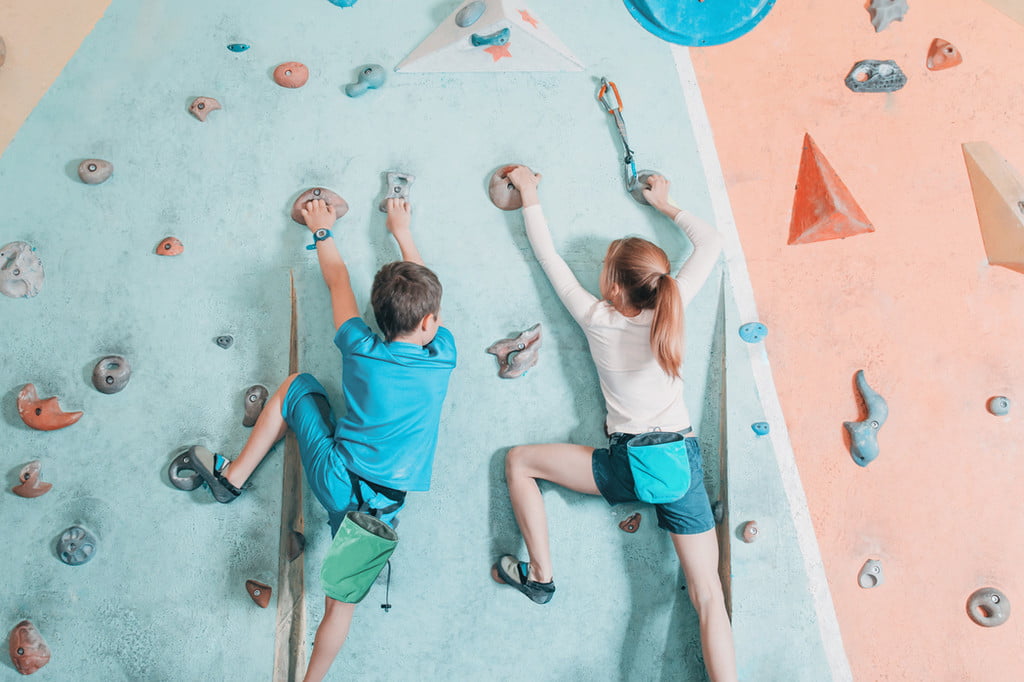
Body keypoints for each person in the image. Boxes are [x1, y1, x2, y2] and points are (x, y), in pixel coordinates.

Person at [186, 197, 457, 682]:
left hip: (336, 477)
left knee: (297, 387)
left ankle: (232, 479)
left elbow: (337, 280)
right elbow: (426, 297)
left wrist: (323, 229)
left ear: (377, 319)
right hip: (381, 510)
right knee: (341, 611)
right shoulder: (443, 356)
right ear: (429, 324)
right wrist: (402, 229)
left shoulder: (359, 344)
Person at [492, 167, 736, 681]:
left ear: (611, 284)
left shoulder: (596, 319)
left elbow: (549, 259)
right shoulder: (672, 308)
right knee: (707, 596)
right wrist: (666, 205)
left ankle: (541, 576)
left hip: (625, 467)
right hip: (678, 470)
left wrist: (531, 193)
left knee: (519, 462)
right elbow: (711, 241)